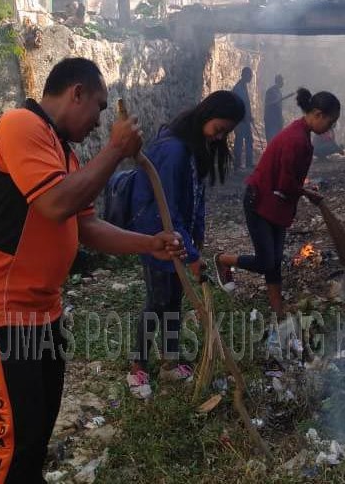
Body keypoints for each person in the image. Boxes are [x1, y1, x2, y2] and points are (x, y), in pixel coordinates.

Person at [0, 57, 184, 483]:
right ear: (75, 93)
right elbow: (55, 203)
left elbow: (87, 227)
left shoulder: (63, 153)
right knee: (14, 439)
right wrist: (116, 150)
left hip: (43, 313)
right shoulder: (19, 126)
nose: (99, 121)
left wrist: (149, 244)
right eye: (98, 106)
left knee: (37, 435)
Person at [127, 90, 245, 399]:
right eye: (220, 128)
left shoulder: (195, 147)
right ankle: (137, 365)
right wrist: (189, 253)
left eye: (227, 132)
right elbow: (168, 210)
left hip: (178, 238)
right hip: (157, 236)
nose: (221, 137)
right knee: (157, 299)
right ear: (207, 114)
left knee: (175, 301)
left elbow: (195, 199)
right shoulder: (175, 150)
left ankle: (170, 361)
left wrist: (196, 241)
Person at [214, 88, 340, 317]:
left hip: (275, 201)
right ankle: (223, 260)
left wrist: (302, 189)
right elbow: (285, 184)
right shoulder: (297, 140)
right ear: (319, 114)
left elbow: (287, 180)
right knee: (265, 261)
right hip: (260, 199)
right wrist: (306, 193)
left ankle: (277, 310)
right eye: (330, 123)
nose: (329, 128)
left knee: (274, 261)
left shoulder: (300, 133)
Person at [232, 67, 254, 170]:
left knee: (249, 140)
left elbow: (246, 104)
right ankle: (237, 164)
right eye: (250, 75)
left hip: (245, 120)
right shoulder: (238, 88)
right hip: (240, 121)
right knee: (239, 141)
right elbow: (238, 105)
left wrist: (249, 116)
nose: (251, 77)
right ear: (244, 75)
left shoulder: (243, 86)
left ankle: (249, 163)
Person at [264, 74, 284, 142]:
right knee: (271, 140)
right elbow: (268, 104)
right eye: (282, 81)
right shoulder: (270, 91)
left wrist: (281, 119)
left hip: (277, 121)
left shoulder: (279, 92)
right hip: (271, 120)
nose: (283, 83)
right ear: (278, 81)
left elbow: (279, 108)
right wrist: (275, 101)